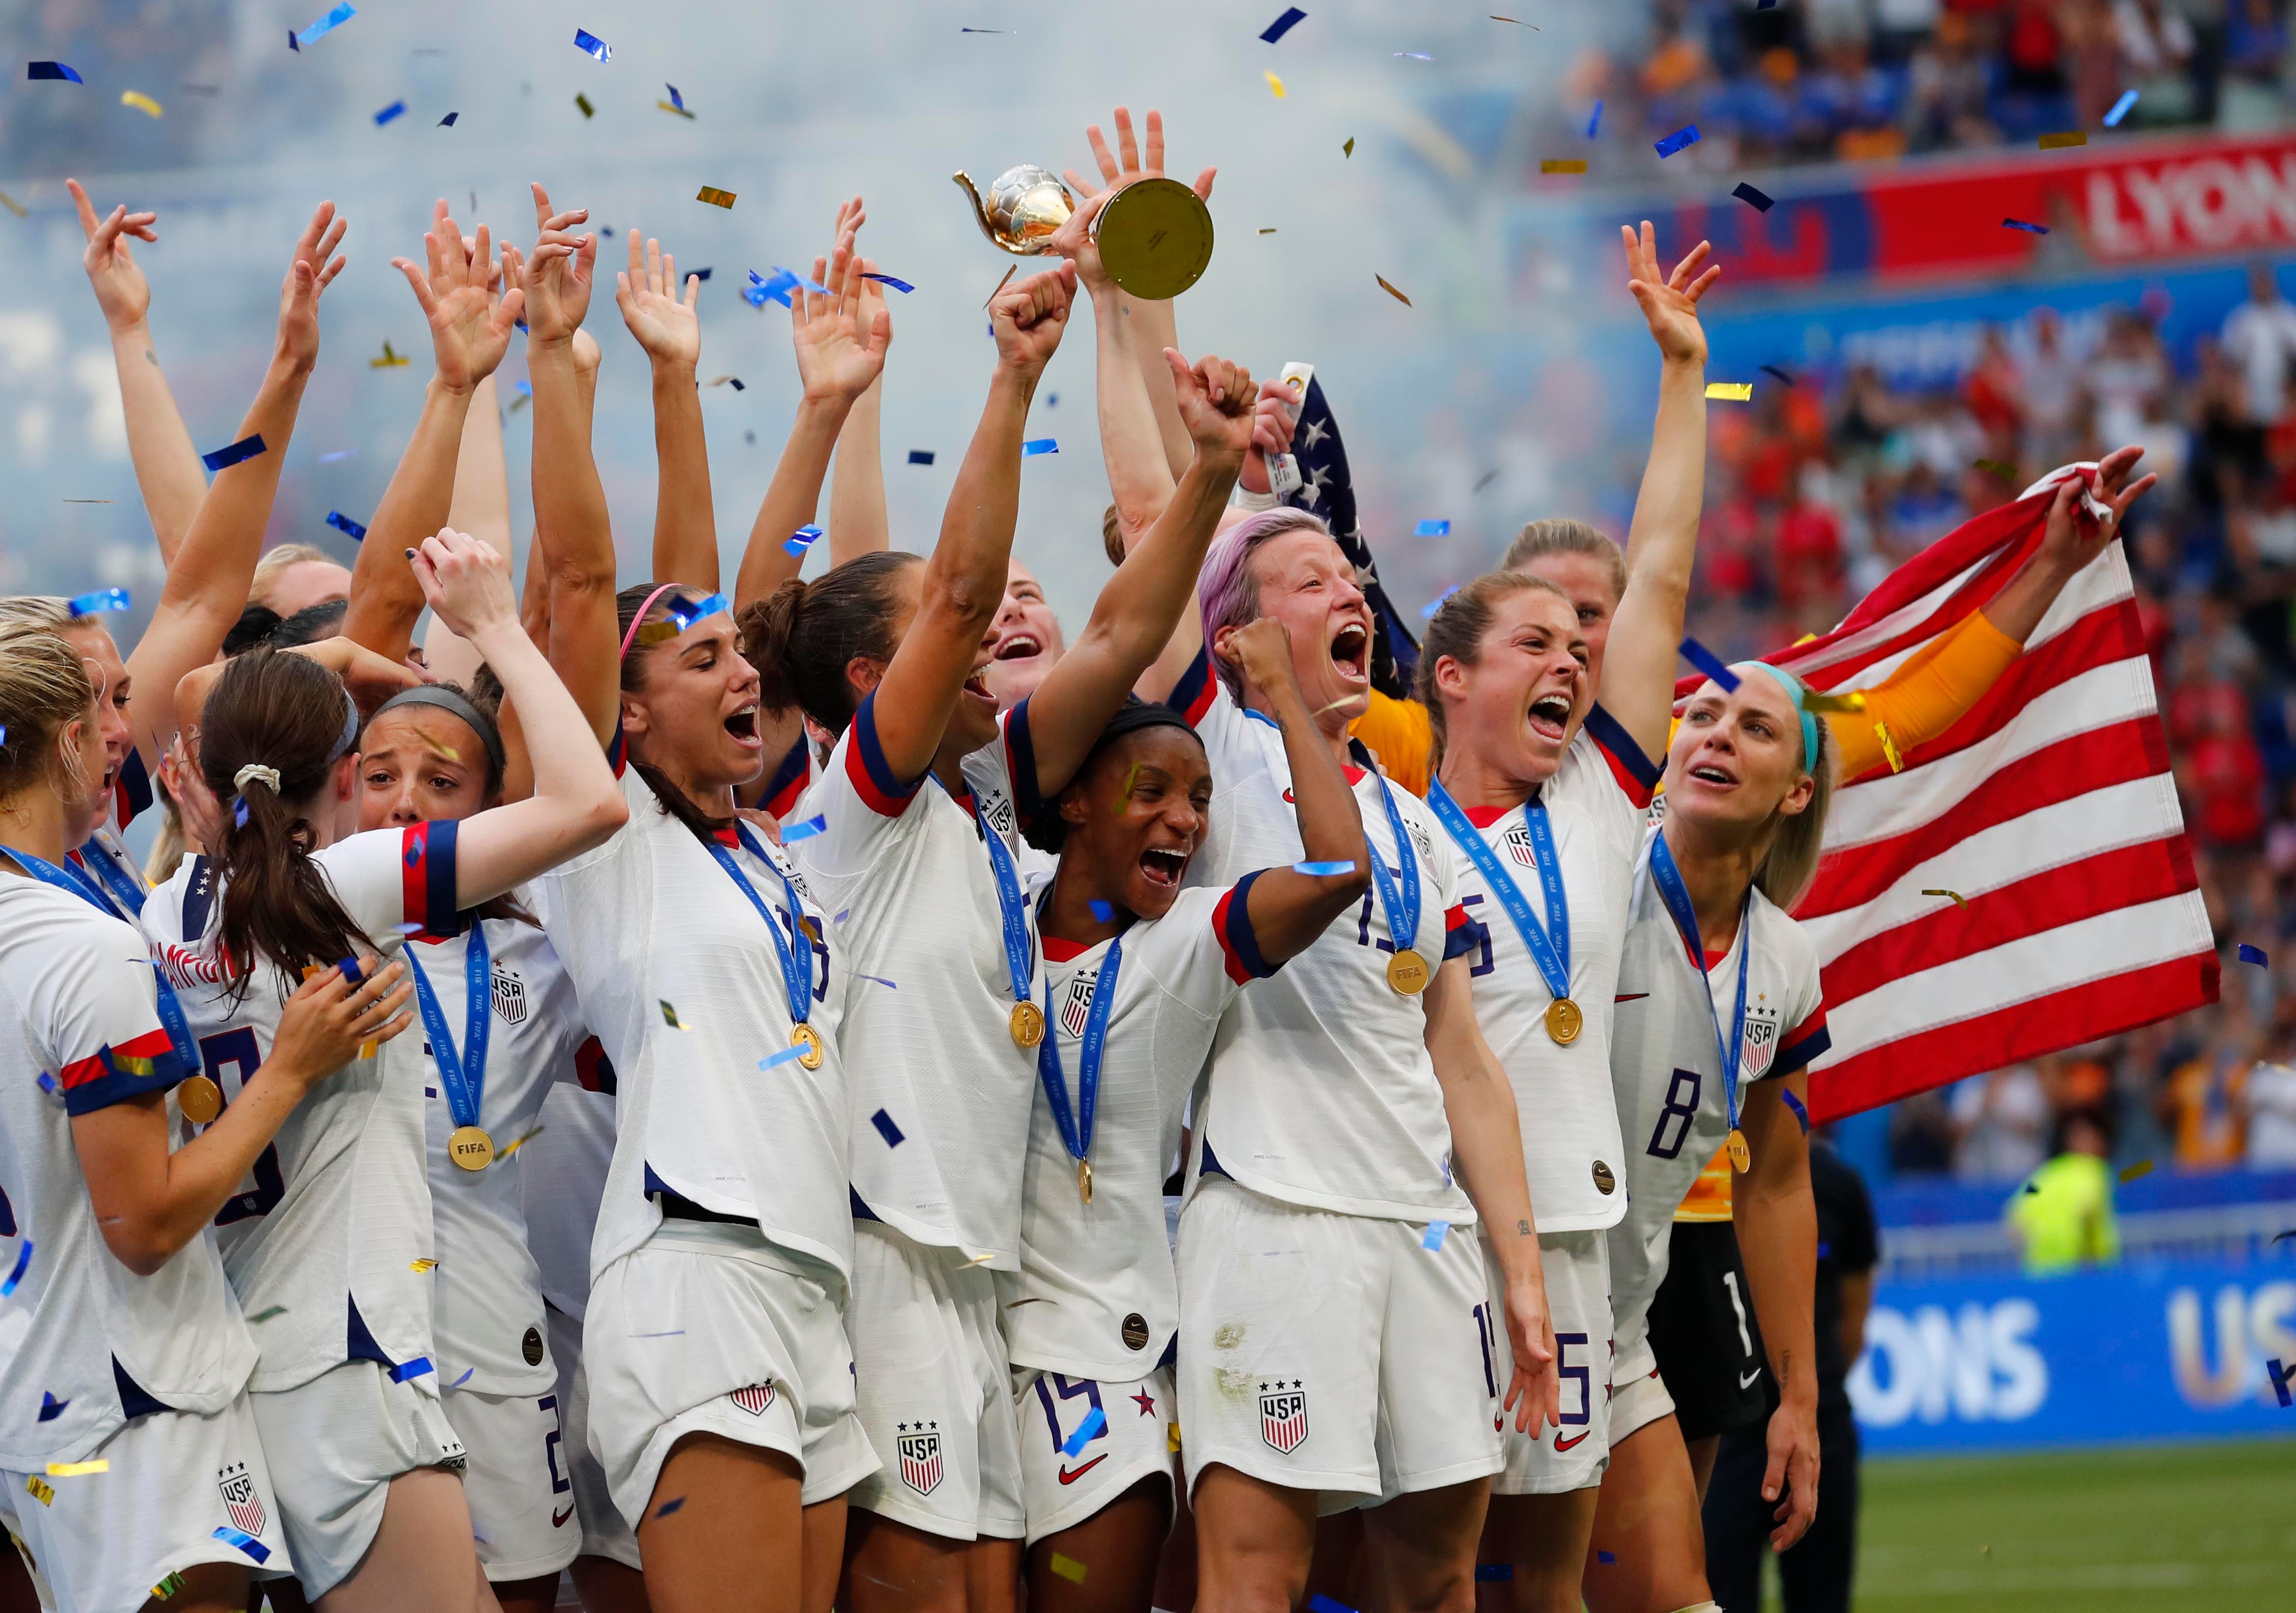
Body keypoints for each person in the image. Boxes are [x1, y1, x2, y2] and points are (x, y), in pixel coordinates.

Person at [742, 212, 1260, 1612]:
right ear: (874, 678)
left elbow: (1115, 641)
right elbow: (961, 585)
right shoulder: (858, 811)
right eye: (940, 635)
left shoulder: (981, 819)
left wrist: (1210, 477)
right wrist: (1008, 380)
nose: (977, 636)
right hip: (885, 1259)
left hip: (973, 1281)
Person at [141, 528, 627, 1611]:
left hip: (238, 1357)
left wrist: (342, 665)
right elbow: (592, 804)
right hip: (351, 1361)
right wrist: (495, 624)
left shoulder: (159, 908)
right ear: (343, 778)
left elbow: (193, 690)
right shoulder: (345, 886)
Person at [514, 181, 868, 1613]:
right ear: (624, 714)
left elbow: (702, 596)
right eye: (702, 664)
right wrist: (561, 368)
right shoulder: (607, 834)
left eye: (746, 658)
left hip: (810, 1272)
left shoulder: (766, 840)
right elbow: (608, 579)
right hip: (692, 1270)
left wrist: (682, 378)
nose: (743, 675)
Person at [1132, 498, 1560, 1613]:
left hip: (1425, 1228)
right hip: (1276, 1213)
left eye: (1350, 579)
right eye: (1311, 580)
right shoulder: (1214, 757)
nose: (1350, 594)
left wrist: (1518, 1269)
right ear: (1239, 632)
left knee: (1435, 1580)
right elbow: (1150, 522)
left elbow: (1460, 1054)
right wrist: (1159, 374)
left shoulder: (1415, 822)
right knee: (1257, 1576)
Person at [1420, 220, 1717, 1613]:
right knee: (1409, 1568)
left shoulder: (1597, 801)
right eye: (1532, 643)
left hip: (1580, 1230)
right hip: (1422, 1230)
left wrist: (1680, 381)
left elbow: (1655, 570)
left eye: (1575, 645)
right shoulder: (1386, 822)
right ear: (1450, 677)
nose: (1570, 661)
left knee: (1544, 1580)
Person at [0, 621, 408, 1613]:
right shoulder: (83, 949)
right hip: (141, 1401)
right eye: (102, 709)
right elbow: (143, 1225)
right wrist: (290, 1070)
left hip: (39, 1387)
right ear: (60, 741)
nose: (118, 734)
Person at [336, 202, 604, 1613]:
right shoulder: (312, 910)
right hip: (344, 1327)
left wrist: (510, 377)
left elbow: (510, 613)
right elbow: (403, 617)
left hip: (500, 1320)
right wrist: (465, 386)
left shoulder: (543, 935)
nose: (401, 800)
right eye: (372, 774)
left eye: (442, 781)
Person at [1007, 618, 1372, 1611]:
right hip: (960, 1342)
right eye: (1154, 790)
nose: (1185, 819)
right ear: (1074, 801)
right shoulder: (994, 896)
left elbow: (1343, 872)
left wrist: (1285, 704)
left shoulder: (1193, 942)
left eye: (1201, 798)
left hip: (1101, 1360)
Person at [2, 192, 351, 930]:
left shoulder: (88, 842)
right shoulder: (39, 888)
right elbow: (201, 593)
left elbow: (199, 593)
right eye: (90, 704)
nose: (121, 729)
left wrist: (133, 330)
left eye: (122, 698)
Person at [1701, 1135, 1878, 1613]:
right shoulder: (1703, 1172)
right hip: (1725, 1427)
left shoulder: (1838, 1184)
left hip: (1817, 1420)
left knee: (1821, 1597)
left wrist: (1804, 1391)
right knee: (1719, 1595)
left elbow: (1854, 1316)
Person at [2007, 1110, 2122, 1274]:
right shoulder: (2093, 1171)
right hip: (2080, 1273)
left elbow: (2015, 1214)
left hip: (2038, 1272)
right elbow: (2087, 1210)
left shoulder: (2045, 1174)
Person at [2222, 263, 2296, 426]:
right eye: (2258, 283)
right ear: (2251, 286)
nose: (2262, 288)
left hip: (2285, 390)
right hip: (2251, 392)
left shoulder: (2289, 315)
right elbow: (2230, 360)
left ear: (2273, 284)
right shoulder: (2240, 319)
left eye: (2265, 283)